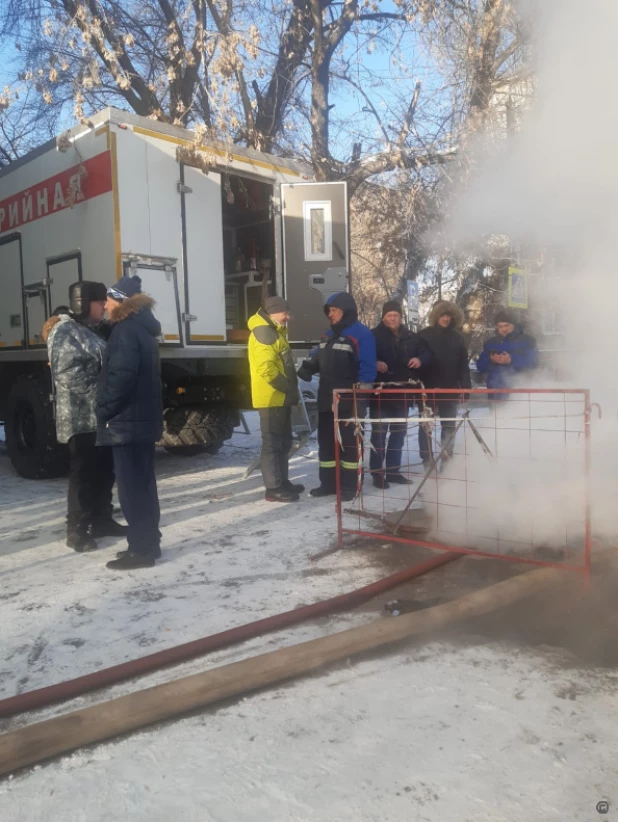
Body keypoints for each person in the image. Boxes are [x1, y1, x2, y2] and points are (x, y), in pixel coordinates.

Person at [42, 282, 127, 552]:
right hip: (81, 418)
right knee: (84, 474)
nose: (104, 305)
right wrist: (106, 396)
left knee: (104, 470)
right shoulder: (65, 331)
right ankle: (77, 529)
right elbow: (69, 375)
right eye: (99, 301)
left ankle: (102, 519)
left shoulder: (91, 331)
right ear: (83, 302)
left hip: (100, 417)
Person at [96, 275, 163, 570]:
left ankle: (140, 550)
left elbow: (120, 378)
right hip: (141, 422)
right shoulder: (143, 329)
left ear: (121, 300)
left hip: (126, 423)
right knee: (144, 485)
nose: (105, 305)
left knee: (132, 489)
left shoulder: (124, 332)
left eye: (109, 299)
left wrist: (103, 409)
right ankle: (150, 543)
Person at [298, 292, 376, 501]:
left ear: (346, 310)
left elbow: (367, 370)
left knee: (350, 445)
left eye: (333, 310)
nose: (330, 315)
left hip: (350, 402)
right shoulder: (327, 335)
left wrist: (359, 401)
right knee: (326, 444)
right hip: (326, 399)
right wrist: (307, 367)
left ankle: (350, 486)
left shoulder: (362, 335)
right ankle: (329, 483)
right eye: (329, 311)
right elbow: (318, 357)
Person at [370, 300, 431, 488]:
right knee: (379, 435)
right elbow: (361, 356)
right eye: (389, 315)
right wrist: (375, 362)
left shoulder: (411, 337)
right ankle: (377, 473)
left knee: (398, 434)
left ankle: (393, 471)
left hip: (403, 394)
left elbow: (427, 353)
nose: (393, 318)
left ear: (400, 317)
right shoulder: (373, 336)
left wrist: (419, 359)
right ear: (383, 317)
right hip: (380, 394)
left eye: (396, 315)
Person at [248, 296, 302, 503]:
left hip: (279, 397)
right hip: (272, 397)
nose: (288, 317)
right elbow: (266, 368)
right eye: (285, 313)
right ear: (274, 312)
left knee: (283, 441)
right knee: (272, 443)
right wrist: (286, 387)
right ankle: (273, 488)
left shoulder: (273, 331)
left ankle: (282, 481)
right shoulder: (265, 332)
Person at [418, 300, 471, 465]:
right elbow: (417, 363)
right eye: (442, 314)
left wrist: (466, 387)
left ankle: (447, 461)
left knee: (448, 427)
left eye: (448, 315)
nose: (445, 318)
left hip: (450, 389)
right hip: (428, 389)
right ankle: (427, 459)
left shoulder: (458, 337)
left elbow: (463, 364)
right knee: (425, 427)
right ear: (435, 315)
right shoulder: (424, 335)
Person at [476, 309, 539, 398]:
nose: (503, 329)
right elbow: (480, 366)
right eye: (500, 326)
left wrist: (511, 360)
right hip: (495, 393)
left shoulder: (528, 340)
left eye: (506, 325)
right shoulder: (490, 343)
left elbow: (534, 362)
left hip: (520, 393)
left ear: (514, 325)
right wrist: (491, 360)